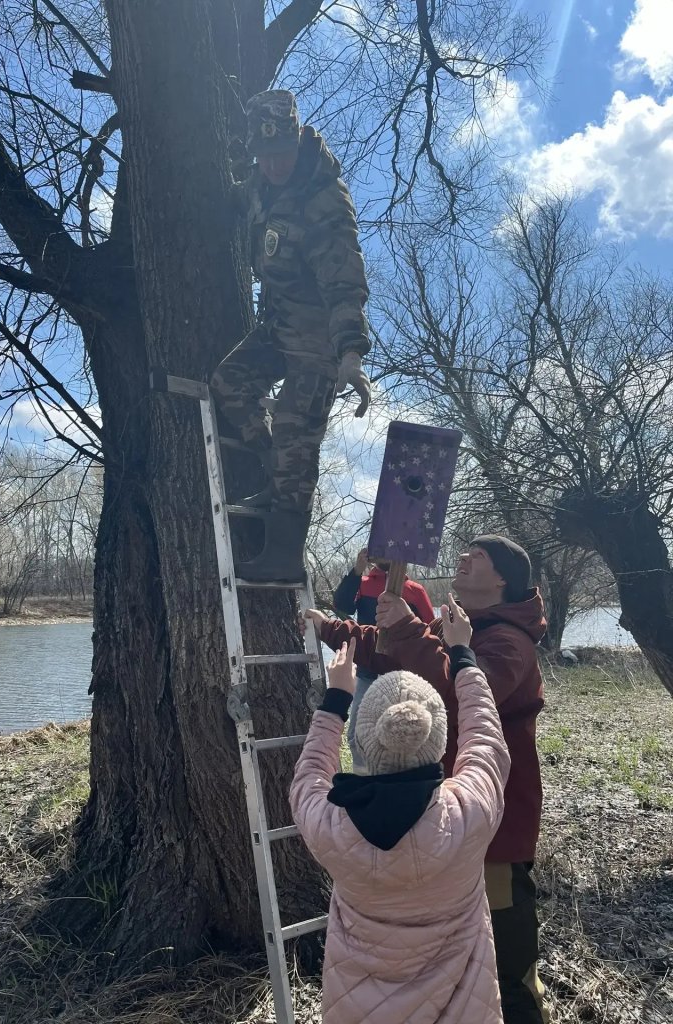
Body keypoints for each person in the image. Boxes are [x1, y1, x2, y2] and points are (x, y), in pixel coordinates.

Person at [304, 535, 549, 1024]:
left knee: (506, 957)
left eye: (477, 556)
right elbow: (393, 650)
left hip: (496, 820)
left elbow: (465, 695)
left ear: (502, 578)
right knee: (457, 952)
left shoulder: (508, 641)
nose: (462, 558)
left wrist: (415, 631)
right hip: (454, 809)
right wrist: (333, 629)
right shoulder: (460, 623)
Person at [211, 89, 371, 583]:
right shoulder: (262, 184)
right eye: (264, 156)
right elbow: (238, 196)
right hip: (278, 328)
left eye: (281, 153)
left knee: (296, 435)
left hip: (319, 346)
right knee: (228, 381)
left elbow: (345, 282)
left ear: (299, 141)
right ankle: (270, 470)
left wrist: (350, 353)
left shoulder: (325, 200)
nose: (274, 164)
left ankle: (284, 559)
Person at [333, 548, 434, 772]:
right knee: (357, 733)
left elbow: (430, 632)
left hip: (403, 676)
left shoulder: (415, 591)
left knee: (406, 731)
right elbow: (341, 605)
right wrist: (357, 571)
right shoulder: (363, 583)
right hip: (368, 672)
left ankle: (401, 783)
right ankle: (365, 782)